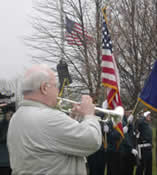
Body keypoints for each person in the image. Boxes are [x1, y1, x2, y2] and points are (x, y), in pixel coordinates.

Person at [7, 64, 102, 175]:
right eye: (56, 85)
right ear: (44, 88)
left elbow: (51, 142)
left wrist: (72, 120)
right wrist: (89, 115)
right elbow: (92, 141)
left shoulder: (17, 117)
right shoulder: (49, 118)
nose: (58, 90)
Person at [119, 110, 138, 175]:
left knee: (130, 170)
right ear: (124, 112)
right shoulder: (122, 121)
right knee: (124, 171)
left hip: (131, 152)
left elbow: (132, 135)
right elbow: (124, 138)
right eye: (128, 112)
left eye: (131, 113)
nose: (130, 114)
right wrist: (130, 148)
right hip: (125, 151)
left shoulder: (130, 122)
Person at [135, 111, 152, 175]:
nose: (149, 116)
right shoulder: (141, 122)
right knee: (140, 168)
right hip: (143, 149)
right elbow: (138, 122)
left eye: (149, 115)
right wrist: (142, 117)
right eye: (148, 115)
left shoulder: (148, 125)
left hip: (149, 149)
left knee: (149, 169)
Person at [0, 107, 15, 175]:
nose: (10, 115)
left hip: (14, 160)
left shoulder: (16, 124)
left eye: (12, 113)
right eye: (9, 113)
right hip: (4, 159)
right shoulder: (2, 124)